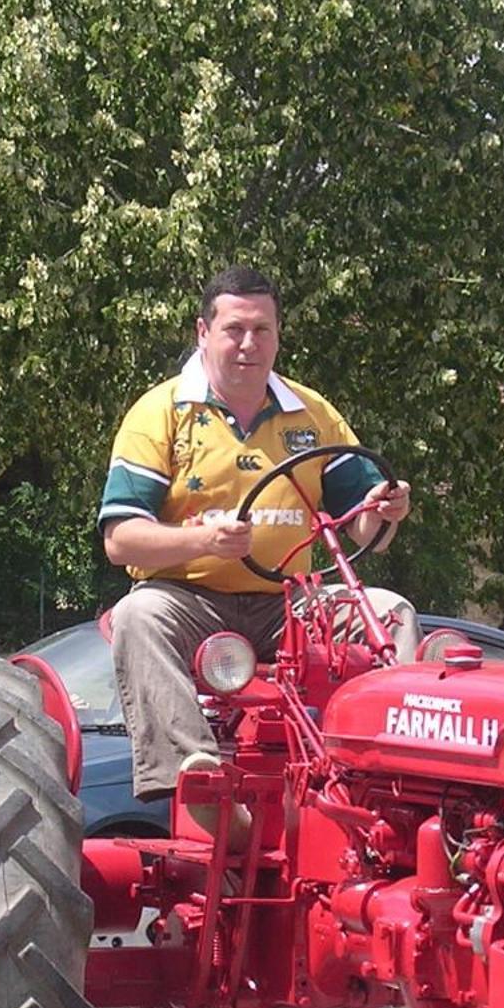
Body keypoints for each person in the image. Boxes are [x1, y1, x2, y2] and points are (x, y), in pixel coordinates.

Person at [98, 266, 414, 837]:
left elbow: (363, 530)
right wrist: (202, 540)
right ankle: (198, 779)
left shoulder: (312, 414)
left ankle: (387, 778)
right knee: (138, 616)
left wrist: (384, 508)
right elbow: (120, 541)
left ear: (278, 335)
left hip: (287, 602)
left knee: (392, 612)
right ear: (203, 332)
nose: (249, 344)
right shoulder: (161, 412)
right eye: (235, 329)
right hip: (187, 599)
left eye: (262, 330)